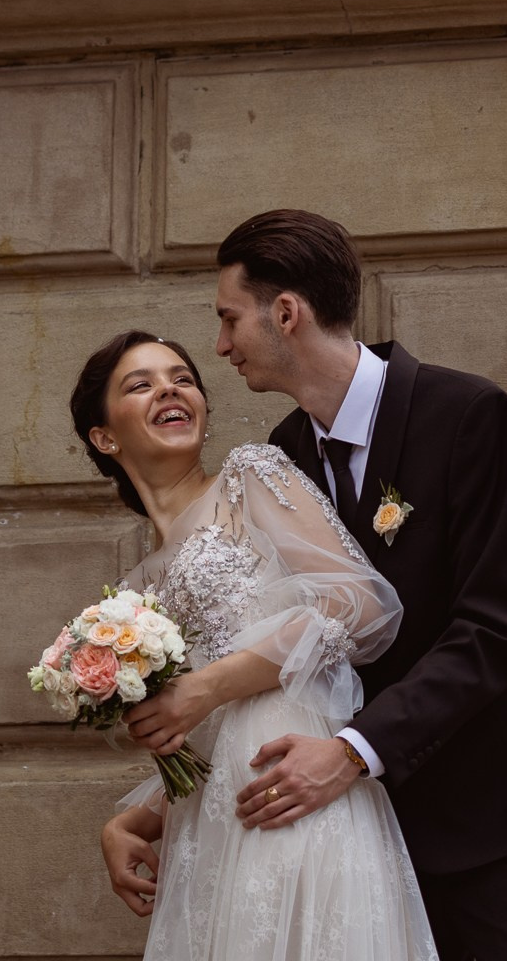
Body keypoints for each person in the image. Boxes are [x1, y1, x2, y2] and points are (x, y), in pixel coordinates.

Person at [104, 210, 507, 961]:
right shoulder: (284, 452)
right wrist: (156, 806)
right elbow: (303, 666)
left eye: (228, 319)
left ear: (286, 314)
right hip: (362, 837)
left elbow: (492, 632)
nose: (220, 346)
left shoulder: (467, 414)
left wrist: (348, 752)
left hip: (497, 817)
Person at [72, 328, 439, 961]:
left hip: (303, 791)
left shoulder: (251, 477)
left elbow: (359, 603)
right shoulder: (136, 595)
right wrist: (131, 821)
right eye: (141, 384)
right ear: (104, 438)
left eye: (182, 378)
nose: (170, 389)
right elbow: (213, 739)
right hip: (215, 831)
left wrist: (206, 686)